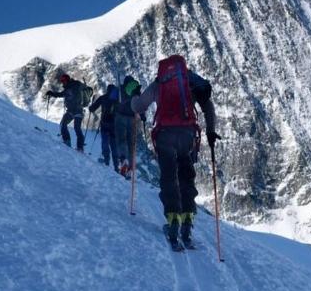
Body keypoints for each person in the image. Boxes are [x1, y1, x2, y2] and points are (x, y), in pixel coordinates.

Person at [131, 55, 219, 249]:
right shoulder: (191, 82)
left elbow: (139, 106)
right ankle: (187, 222)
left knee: (169, 178)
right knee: (186, 177)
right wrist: (211, 132)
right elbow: (208, 106)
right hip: (187, 136)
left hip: (165, 136)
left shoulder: (159, 83)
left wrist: (134, 96)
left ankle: (173, 222)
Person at [46, 73, 87, 152]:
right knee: (64, 124)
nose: (62, 83)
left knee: (76, 127)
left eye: (63, 81)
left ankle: (77, 146)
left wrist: (52, 93)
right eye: (62, 81)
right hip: (72, 110)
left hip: (78, 110)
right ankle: (71, 143)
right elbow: (61, 94)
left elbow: (62, 94)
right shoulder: (69, 87)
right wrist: (52, 93)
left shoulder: (74, 86)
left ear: (67, 80)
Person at [114, 76, 144, 176]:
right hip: (133, 118)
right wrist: (143, 116)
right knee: (131, 143)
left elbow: (112, 99)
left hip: (120, 117)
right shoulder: (136, 90)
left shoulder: (120, 89)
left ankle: (123, 159)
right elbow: (140, 104)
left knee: (121, 140)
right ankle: (131, 166)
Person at [88, 84, 119, 169]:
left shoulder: (103, 98)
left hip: (104, 123)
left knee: (105, 141)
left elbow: (93, 108)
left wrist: (91, 108)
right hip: (115, 125)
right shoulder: (117, 99)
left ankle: (106, 160)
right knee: (114, 145)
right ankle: (116, 165)